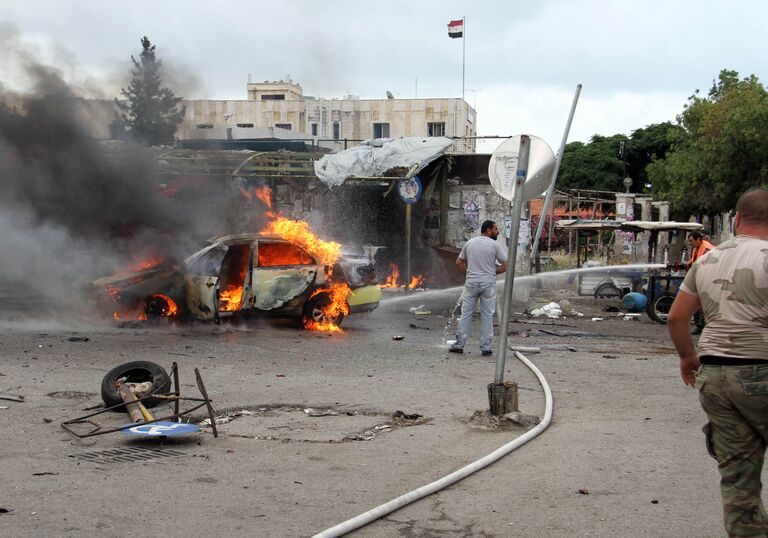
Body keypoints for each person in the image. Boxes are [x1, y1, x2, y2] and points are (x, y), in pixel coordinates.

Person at [667, 187, 768, 537]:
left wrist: (687, 357)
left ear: (737, 219)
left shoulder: (707, 260)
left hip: (716, 376)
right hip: (761, 370)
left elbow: (677, 318)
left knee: (739, 478)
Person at [450, 220, 508, 356]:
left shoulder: (470, 243)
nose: (497, 232)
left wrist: (467, 274)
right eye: (495, 229)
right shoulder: (495, 246)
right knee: (487, 316)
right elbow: (505, 265)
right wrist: (493, 273)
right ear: (488, 230)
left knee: (466, 314)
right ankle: (485, 347)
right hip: (488, 285)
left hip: (471, 283)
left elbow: (459, 262)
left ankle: (459, 344)